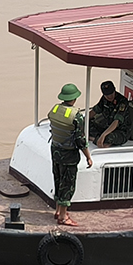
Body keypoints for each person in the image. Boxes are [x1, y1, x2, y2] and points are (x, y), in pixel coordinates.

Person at [48, 83, 92, 226]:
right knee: (67, 184)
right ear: (74, 99)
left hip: (55, 151)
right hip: (69, 156)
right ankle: (63, 217)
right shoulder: (76, 116)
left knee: (58, 179)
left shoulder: (54, 109)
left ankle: (58, 210)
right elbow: (80, 140)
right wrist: (88, 156)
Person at [90, 81, 130, 148]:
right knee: (87, 125)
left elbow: (116, 122)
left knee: (109, 138)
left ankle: (94, 139)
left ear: (114, 90)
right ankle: (98, 139)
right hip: (107, 127)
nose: (109, 97)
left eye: (111, 93)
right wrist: (82, 123)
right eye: (107, 95)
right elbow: (94, 112)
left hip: (120, 131)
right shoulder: (104, 99)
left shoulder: (122, 101)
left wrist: (103, 135)